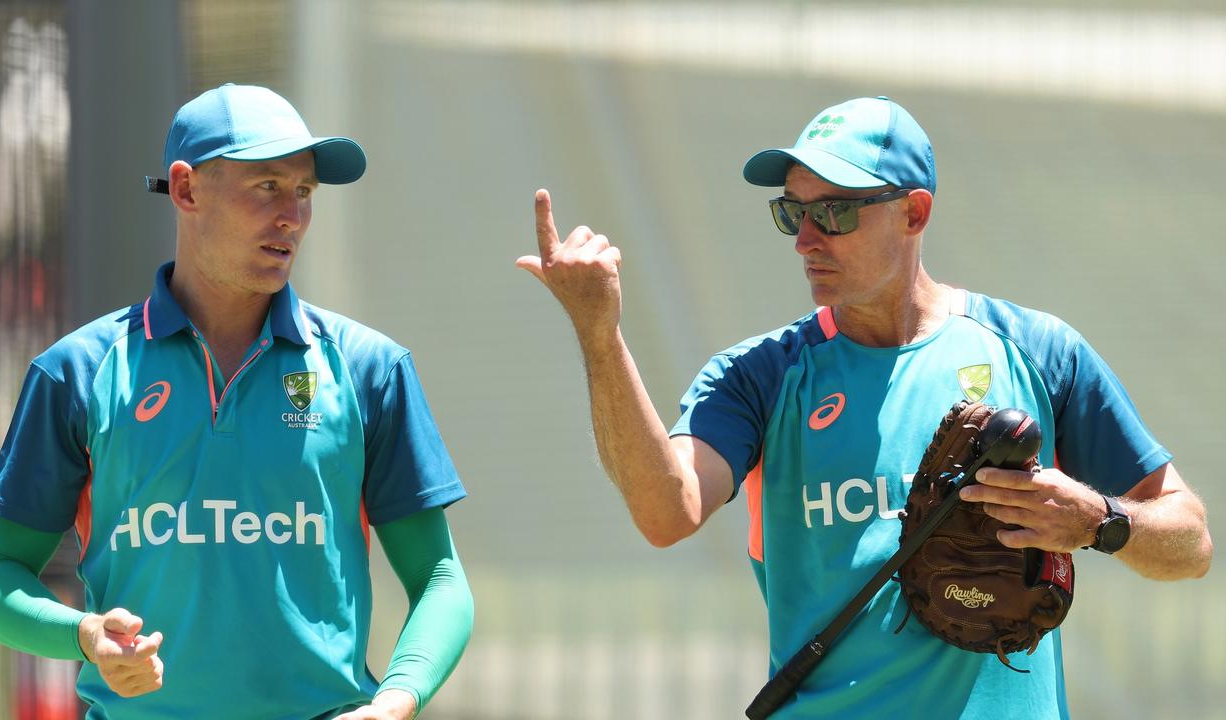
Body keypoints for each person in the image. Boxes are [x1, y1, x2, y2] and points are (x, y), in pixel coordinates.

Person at [516, 96, 1213, 718]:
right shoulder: (761, 375)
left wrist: (1100, 521)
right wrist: (599, 336)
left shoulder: (1037, 352)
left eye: (835, 212)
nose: (805, 238)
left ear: (914, 212)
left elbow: (1191, 542)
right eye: (793, 210)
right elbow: (666, 511)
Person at [0, 84, 472, 720]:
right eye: (267, 186)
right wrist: (86, 636)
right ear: (185, 190)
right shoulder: (79, 370)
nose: (292, 214)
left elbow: (441, 580)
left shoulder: (371, 368)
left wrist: (395, 702)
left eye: (305, 191)